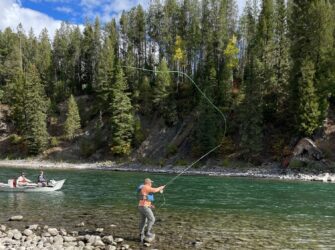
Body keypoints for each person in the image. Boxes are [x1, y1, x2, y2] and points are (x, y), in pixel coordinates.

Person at [138, 178, 165, 243]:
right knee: (152, 219)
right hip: (144, 207)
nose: (151, 183)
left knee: (143, 220)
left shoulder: (144, 188)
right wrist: (161, 187)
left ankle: (141, 234)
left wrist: (150, 205)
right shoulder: (146, 187)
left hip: (141, 206)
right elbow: (155, 190)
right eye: (151, 182)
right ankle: (147, 232)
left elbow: (145, 198)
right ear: (148, 182)